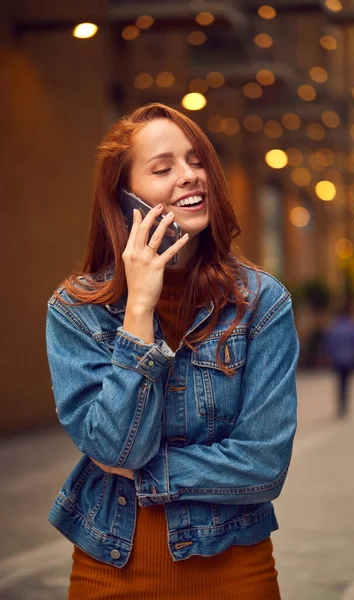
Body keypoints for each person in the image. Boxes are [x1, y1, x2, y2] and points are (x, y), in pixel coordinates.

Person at [46, 102, 299, 599]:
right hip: (109, 567)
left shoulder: (261, 304)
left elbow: (264, 465)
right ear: (124, 199)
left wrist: (146, 475)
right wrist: (139, 310)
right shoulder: (76, 310)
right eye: (163, 169)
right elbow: (117, 446)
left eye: (196, 160)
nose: (190, 176)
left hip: (234, 569)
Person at [324, 304, 354, 418]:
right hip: (350, 359)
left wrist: (330, 355)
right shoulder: (353, 326)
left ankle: (340, 405)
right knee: (346, 382)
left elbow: (329, 343)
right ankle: (345, 404)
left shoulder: (334, 327)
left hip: (338, 360)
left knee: (340, 383)